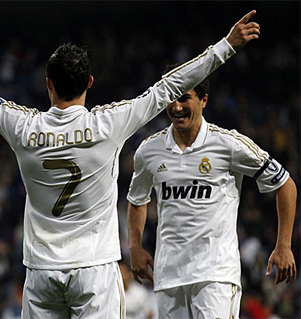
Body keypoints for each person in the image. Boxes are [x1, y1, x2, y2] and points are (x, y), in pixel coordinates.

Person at [0, 10, 260, 318]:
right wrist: (227, 46)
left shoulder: (23, 126)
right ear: (89, 82)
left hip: (40, 274)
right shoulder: (108, 123)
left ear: (48, 84)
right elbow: (168, 87)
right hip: (95, 270)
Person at [126, 60, 297, 318]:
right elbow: (137, 199)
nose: (176, 107)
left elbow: (285, 183)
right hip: (168, 278)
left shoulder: (228, 145)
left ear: (204, 99)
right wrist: (135, 247)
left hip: (215, 276)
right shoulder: (149, 150)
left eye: (184, 98)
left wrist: (283, 245)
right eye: (171, 98)